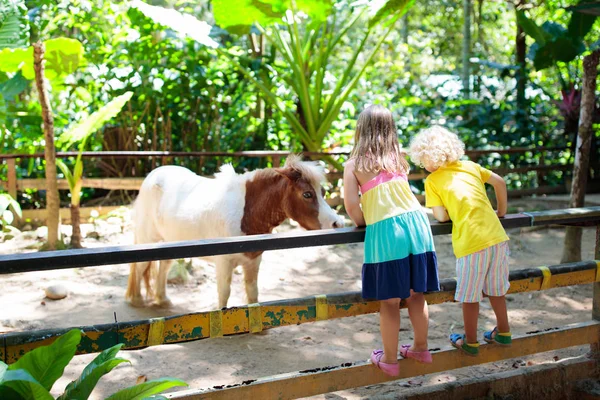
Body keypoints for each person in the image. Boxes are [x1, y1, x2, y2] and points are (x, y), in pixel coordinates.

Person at [343, 105, 440, 377]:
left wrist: (363, 222)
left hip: (387, 231)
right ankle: (421, 347)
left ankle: (388, 359)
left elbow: (352, 207)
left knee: (388, 301)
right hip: (418, 225)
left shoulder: (354, 165)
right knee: (415, 294)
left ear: (361, 130)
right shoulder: (398, 159)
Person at [409, 125, 511, 357]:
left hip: (471, 244)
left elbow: (442, 216)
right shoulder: (470, 167)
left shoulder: (433, 180)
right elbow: (500, 182)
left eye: (422, 160)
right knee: (496, 291)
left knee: (469, 296)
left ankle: (471, 342)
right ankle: (504, 332)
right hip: (497, 237)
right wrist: (501, 212)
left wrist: (446, 208)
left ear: (427, 157)